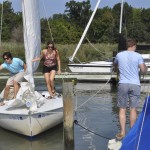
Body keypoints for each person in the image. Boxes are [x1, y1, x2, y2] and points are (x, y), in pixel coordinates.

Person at [113, 38, 147, 140]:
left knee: (122, 108)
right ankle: (132, 132)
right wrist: (146, 68)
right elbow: (143, 70)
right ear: (134, 46)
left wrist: (117, 68)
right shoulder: (138, 56)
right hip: (135, 84)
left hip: (123, 84)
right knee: (133, 108)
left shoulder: (119, 55)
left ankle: (122, 132)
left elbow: (115, 66)